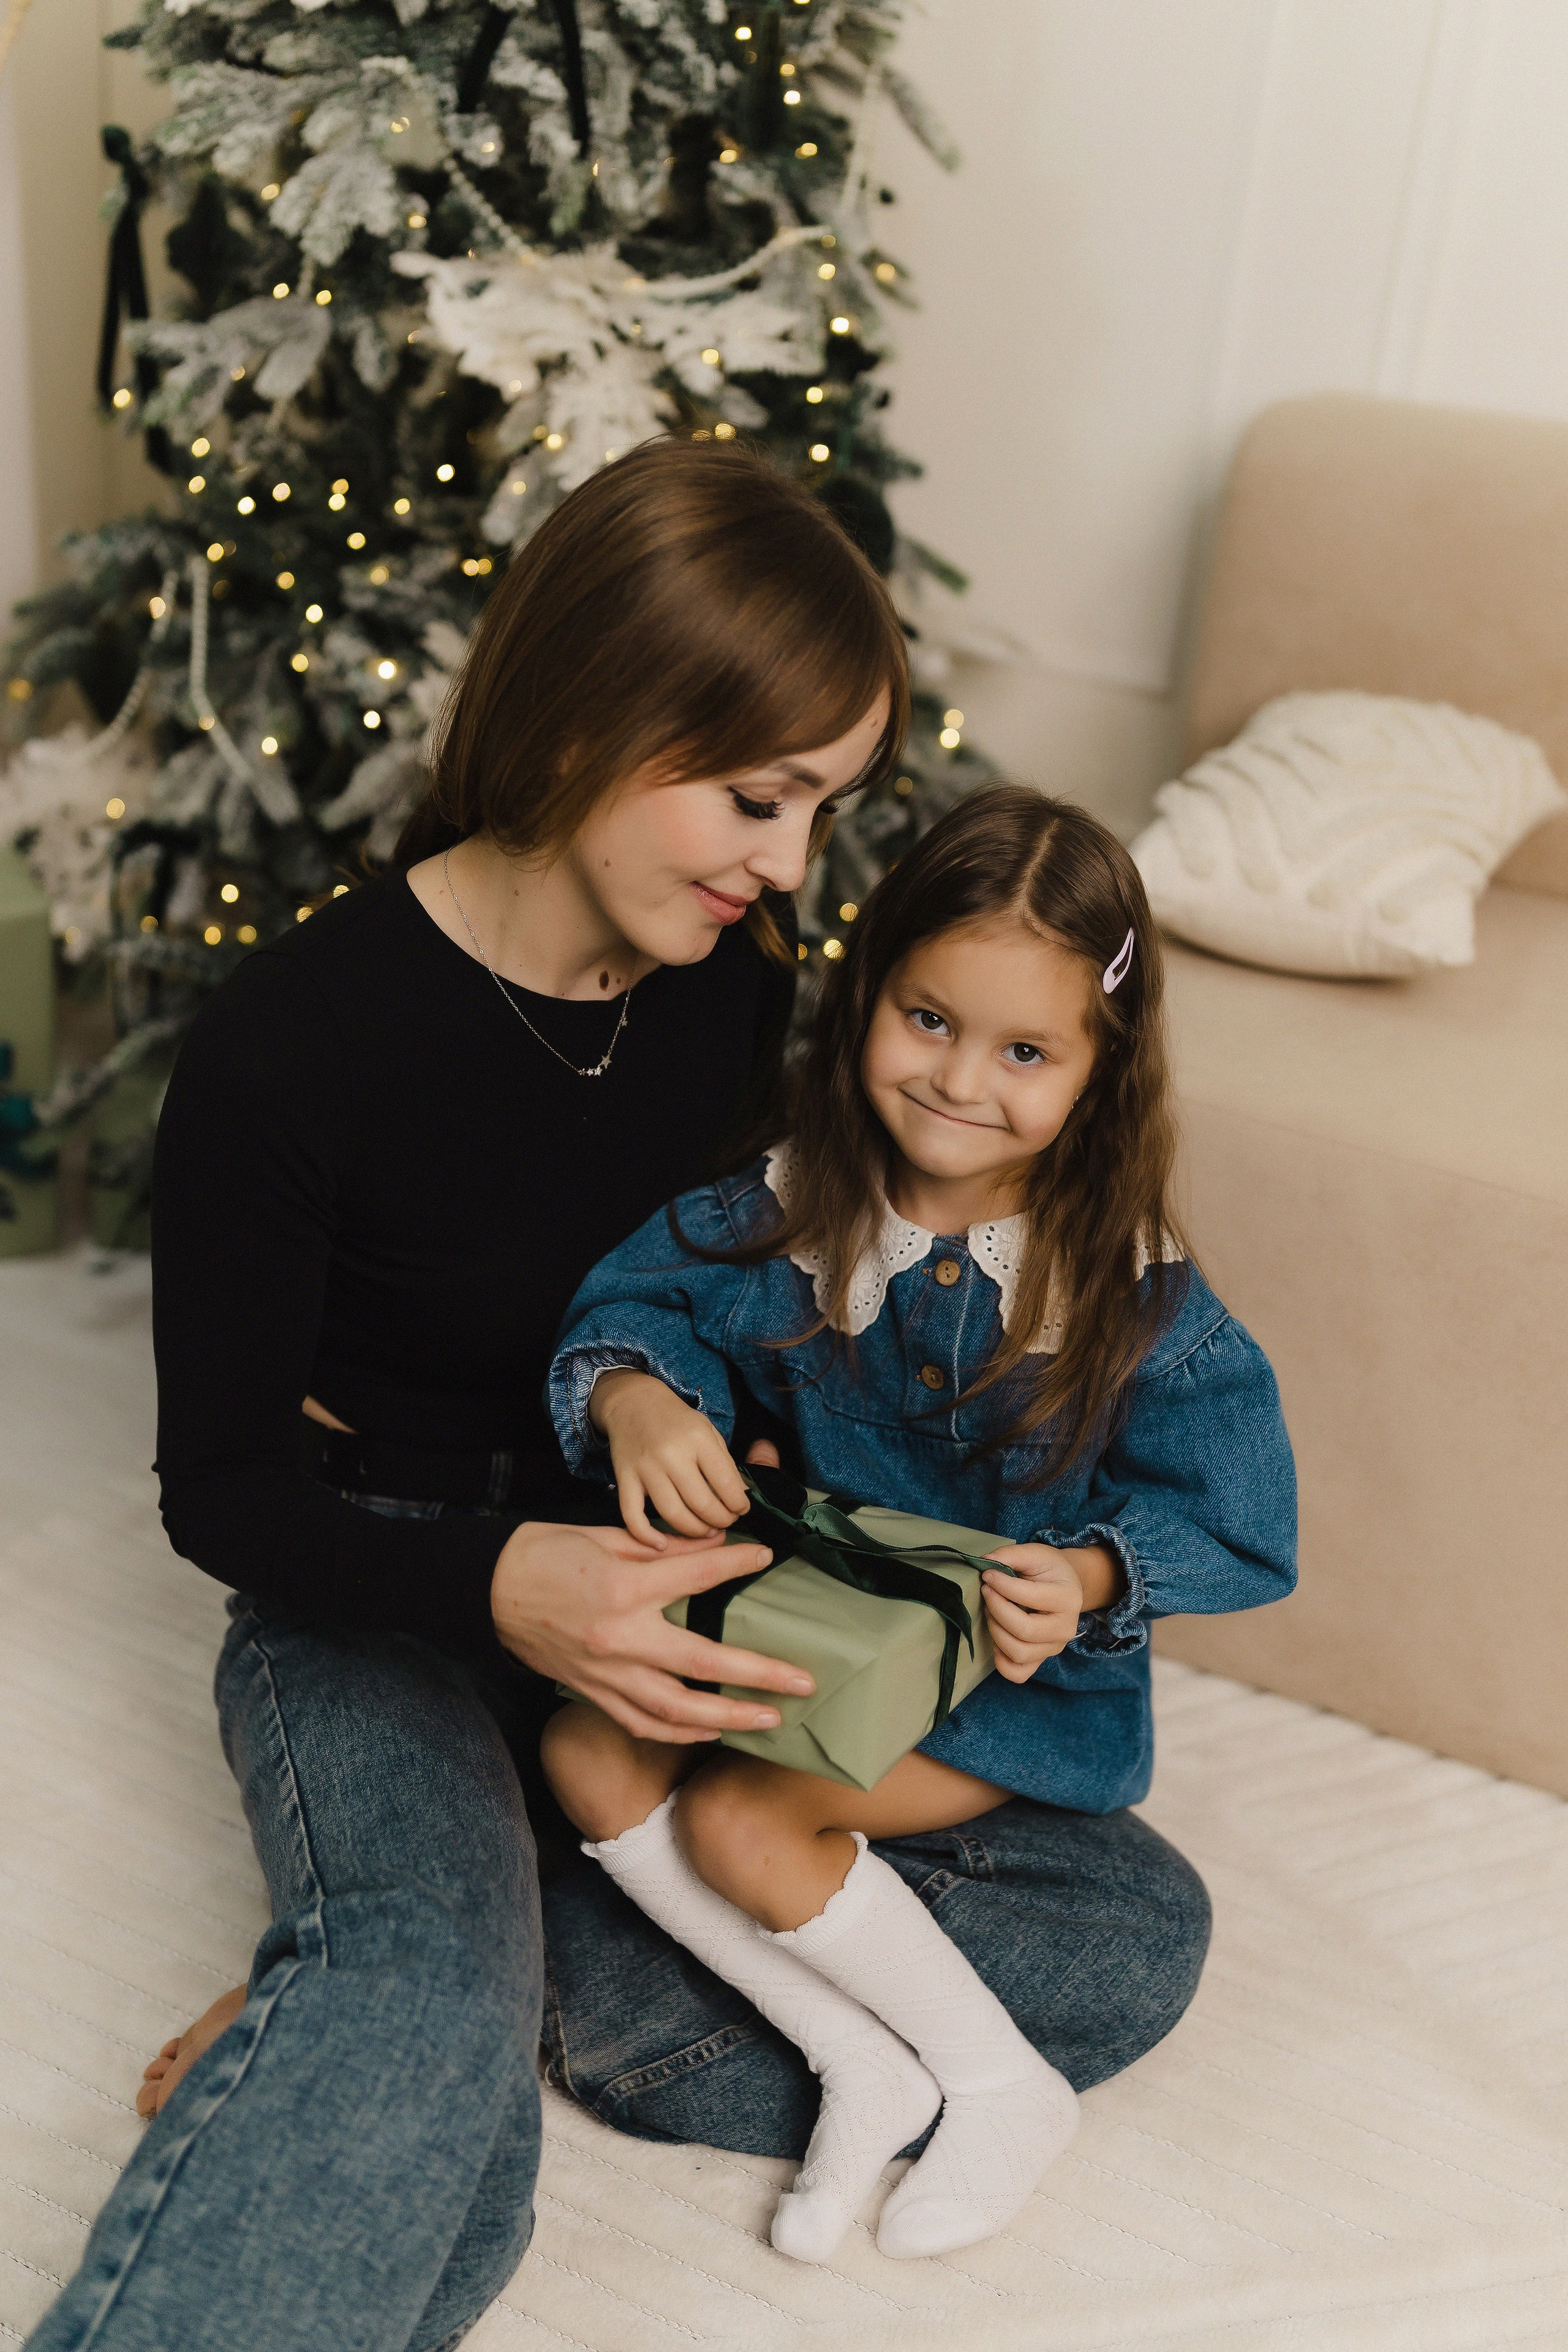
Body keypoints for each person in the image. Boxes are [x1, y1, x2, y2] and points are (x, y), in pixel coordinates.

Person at [24, 448, 1210, 2352]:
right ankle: (438, 1989)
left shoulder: (731, 996)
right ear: (594, 713)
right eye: (757, 798)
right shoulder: (288, 1046)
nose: (792, 867)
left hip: (683, 1592)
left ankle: (504, 1984)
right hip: (391, 1595)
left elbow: (791, 1286)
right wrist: (506, 1583)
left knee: (1139, 1928)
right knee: (419, 1989)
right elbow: (225, 1491)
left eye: (821, 809)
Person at [540, 786, 1297, 2265]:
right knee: (577, 1742)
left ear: (1098, 1069)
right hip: (815, 1629)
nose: (959, 1081)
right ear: (866, 997)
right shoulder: (791, 1214)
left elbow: (1241, 1519)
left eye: (1024, 1052)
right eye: (927, 1020)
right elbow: (637, 1304)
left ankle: (997, 2084)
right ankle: (853, 2055)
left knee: (744, 1818)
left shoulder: (1130, 1300)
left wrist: (1088, 1576)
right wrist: (637, 1399)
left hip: (1009, 1700)